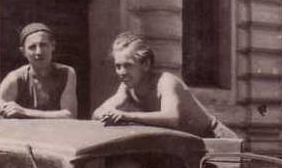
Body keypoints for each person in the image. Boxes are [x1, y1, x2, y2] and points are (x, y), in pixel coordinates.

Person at [93, 31, 239, 139]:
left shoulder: (166, 82)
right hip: (190, 143)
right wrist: (109, 114)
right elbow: (98, 113)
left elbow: (172, 118)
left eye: (128, 66)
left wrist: (126, 116)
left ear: (146, 64)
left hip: (215, 137)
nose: (122, 72)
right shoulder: (126, 88)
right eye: (118, 66)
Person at [0, 22, 78, 119]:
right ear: (23, 52)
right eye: (32, 47)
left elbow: (69, 115)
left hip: (56, 132)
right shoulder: (15, 78)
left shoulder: (66, 73)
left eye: (43, 45)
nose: (38, 52)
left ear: (53, 46)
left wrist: (24, 112)